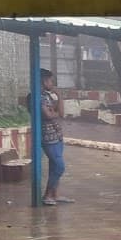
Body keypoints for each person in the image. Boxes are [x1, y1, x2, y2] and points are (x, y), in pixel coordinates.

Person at [39, 68, 71, 205]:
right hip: (47, 136)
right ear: (44, 81)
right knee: (59, 166)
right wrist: (54, 112)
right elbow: (49, 115)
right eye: (50, 80)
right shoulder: (37, 97)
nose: (52, 83)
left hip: (57, 135)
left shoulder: (48, 96)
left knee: (54, 165)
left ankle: (54, 194)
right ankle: (47, 195)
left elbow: (60, 113)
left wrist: (60, 97)